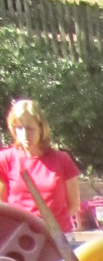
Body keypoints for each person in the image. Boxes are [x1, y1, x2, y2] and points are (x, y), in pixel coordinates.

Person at [0, 98, 80, 230]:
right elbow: (1, 206)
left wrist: (51, 229)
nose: (24, 134)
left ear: (41, 128)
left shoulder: (62, 159)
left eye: (30, 128)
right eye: (19, 128)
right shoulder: (5, 159)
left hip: (57, 237)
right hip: (20, 236)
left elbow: (74, 205)